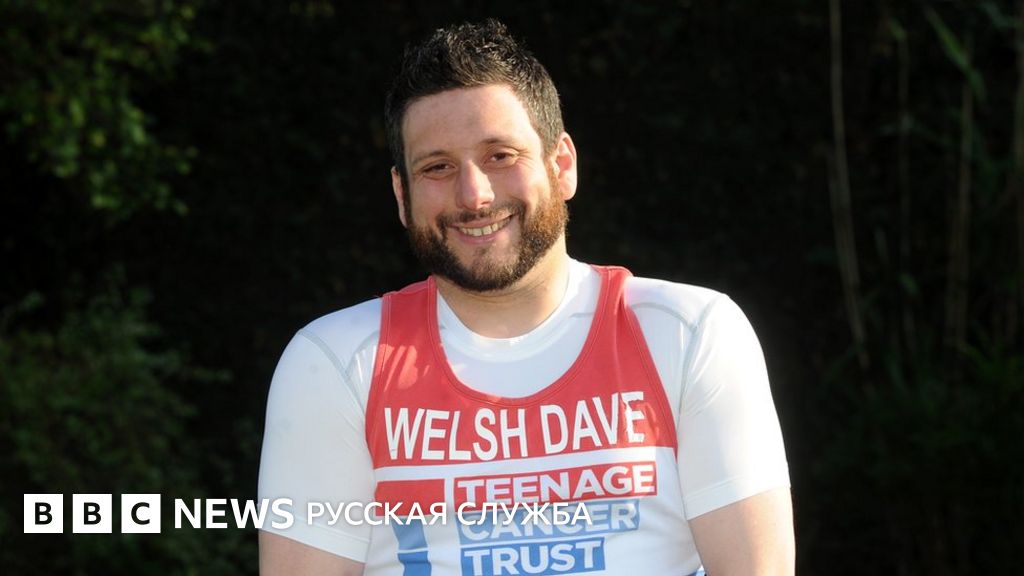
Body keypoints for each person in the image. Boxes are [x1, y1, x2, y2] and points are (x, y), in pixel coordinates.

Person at [258, 19, 793, 576]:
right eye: (437, 167)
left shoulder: (687, 333)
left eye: (500, 156)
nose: (474, 195)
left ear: (562, 166)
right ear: (401, 194)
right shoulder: (337, 362)